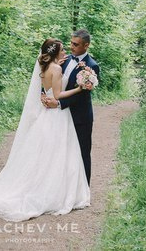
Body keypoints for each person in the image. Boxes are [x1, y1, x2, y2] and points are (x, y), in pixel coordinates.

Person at [0, 38, 90, 222]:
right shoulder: (57, 68)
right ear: (55, 53)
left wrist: (55, 70)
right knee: (58, 153)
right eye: (61, 50)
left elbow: (48, 90)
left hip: (46, 114)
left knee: (45, 154)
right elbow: (58, 95)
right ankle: (54, 191)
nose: (65, 52)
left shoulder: (44, 68)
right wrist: (79, 88)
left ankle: (43, 186)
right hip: (57, 116)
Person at [41, 29, 99, 184]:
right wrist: (44, 93)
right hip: (60, 117)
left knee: (82, 152)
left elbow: (82, 95)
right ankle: (64, 186)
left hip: (80, 116)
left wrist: (58, 103)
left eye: (76, 44)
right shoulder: (63, 59)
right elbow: (50, 78)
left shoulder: (92, 66)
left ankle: (84, 188)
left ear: (86, 45)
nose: (71, 46)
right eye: (71, 43)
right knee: (61, 153)